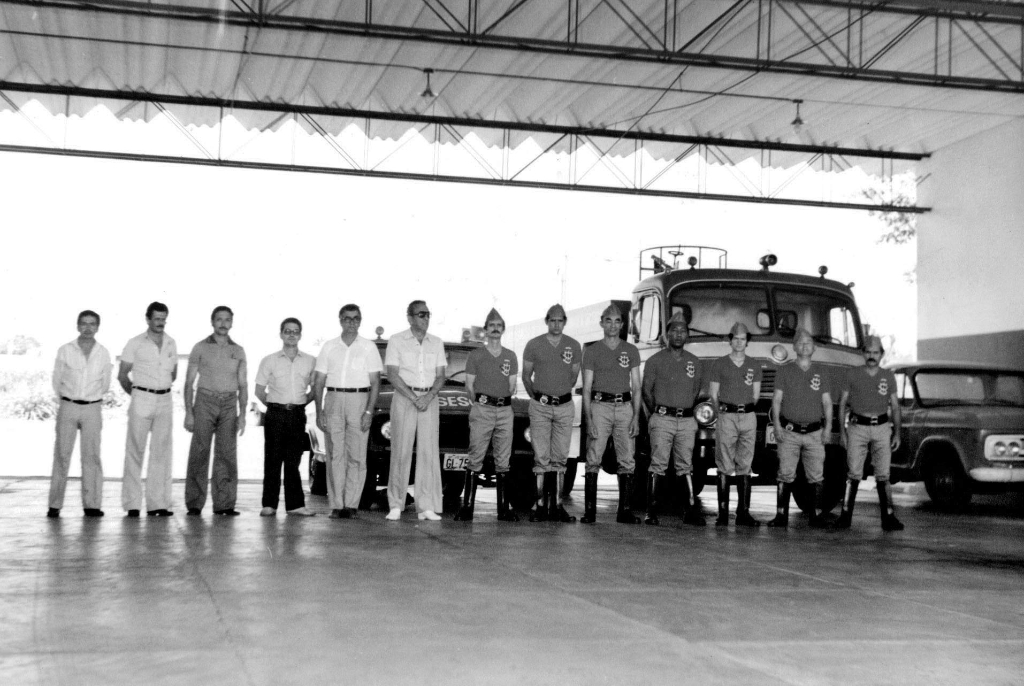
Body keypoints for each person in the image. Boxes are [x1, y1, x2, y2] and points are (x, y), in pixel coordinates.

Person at [313, 304, 382, 519]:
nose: (351, 322)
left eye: (355, 318)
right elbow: (319, 382)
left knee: (357, 456)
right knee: (335, 455)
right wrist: (319, 411)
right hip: (333, 399)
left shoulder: (368, 347)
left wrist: (369, 412)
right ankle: (336, 504)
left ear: (360, 321)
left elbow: (376, 382)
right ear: (340, 320)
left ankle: (351, 505)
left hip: (359, 401)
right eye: (347, 318)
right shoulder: (329, 347)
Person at [383, 300, 446, 521]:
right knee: (400, 450)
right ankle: (396, 504)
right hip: (404, 398)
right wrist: (413, 398)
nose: (426, 318)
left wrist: (427, 397)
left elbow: (441, 375)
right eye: (421, 314)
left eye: (428, 314)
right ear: (409, 318)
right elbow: (392, 374)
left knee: (428, 453)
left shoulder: (436, 343)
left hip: (430, 399)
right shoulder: (397, 340)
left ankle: (426, 505)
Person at [454, 308, 519, 522]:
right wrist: (483, 402)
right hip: (482, 409)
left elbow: (511, 387)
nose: (495, 329)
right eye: (491, 325)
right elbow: (469, 386)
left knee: (503, 458)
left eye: (499, 326)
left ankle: (504, 508)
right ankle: (467, 507)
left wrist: (499, 400)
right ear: (485, 329)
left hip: (504, 410)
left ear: (503, 330)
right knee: (476, 456)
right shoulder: (476, 355)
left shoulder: (510, 356)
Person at [641, 312, 705, 526]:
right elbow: (646, 391)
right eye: (674, 330)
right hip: (662, 418)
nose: (678, 334)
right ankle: (651, 511)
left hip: (686, 421)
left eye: (682, 331)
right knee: (658, 464)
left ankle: (689, 511)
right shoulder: (654, 361)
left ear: (687, 335)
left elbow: (694, 392)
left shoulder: (694, 362)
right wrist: (657, 413)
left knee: (685, 465)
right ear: (667, 334)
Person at [183, 306, 248, 516]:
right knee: (200, 451)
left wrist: (243, 414)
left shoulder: (238, 350)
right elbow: (189, 382)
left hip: (229, 404)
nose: (223, 323)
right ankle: (194, 503)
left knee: (227, 454)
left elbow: (243, 385)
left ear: (232, 322)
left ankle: (224, 504)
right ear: (212, 322)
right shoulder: (200, 347)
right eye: (219, 319)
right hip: (205, 401)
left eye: (227, 319)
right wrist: (189, 412)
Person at [47, 310, 112, 518]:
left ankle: (92, 505)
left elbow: (105, 383)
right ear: (77, 326)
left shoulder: (103, 353)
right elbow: (57, 380)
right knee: (62, 455)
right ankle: (54, 505)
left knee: (91, 456)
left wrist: (91, 398)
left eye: (92, 324)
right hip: (68, 406)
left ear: (97, 327)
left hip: (92, 407)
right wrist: (68, 399)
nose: (88, 328)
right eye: (84, 323)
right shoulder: (65, 350)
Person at [580, 303, 642, 524]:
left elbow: (636, 386)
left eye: (617, 321)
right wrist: (588, 418)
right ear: (601, 323)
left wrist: (635, 416)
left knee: (627, 458)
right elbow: (586, 388)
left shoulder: (631, 350)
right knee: (594, 457)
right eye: (609, 320)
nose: (613, 325)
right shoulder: (592, 351)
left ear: (622, 325)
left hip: (624, 407)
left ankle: (624, 511)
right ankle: (590, 512)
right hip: (600, 406)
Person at [836, 336, 904, 531]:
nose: (872, 356)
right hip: (858, 427)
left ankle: (888, 517)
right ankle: (845, 517)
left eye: (875, 352)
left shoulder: (888, 376)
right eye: (868, 352)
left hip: (882, 427)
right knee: (854, 472)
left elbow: (896, 406)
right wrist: (842, 432)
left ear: (881, 354)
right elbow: (842, 404)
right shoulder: (852, 374)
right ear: (863, 353)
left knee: (883, 473)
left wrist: (897, 433)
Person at [768, 328, 833, 528]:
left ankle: (817, 516)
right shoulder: (785, 370)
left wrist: (828, 428)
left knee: (816, 475)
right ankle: (781, 516)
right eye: (801, 343)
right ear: (794, 347)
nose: (805, 346)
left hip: (814, 433)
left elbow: (827, 402)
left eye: (808, 343)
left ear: (814, 348)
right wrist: (776, 425)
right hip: (789, 432)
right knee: (785, 474)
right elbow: (777, 400)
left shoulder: (821, 371)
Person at [522, 304, 581, 523]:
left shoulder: (573, 345)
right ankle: (539, 506)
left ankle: (556, 505)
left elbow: (573, 377)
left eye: (560, 320)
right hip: (540, 406)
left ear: (565, 322)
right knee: (541, 456)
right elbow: (527, 376)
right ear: (547, 321)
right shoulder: (534, 344)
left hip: (565, 407)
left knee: (560, 456)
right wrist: (538, 398)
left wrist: (558, 393)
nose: (556, 324)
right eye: (552, 320)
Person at [119, 302, 177, 517]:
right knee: (135, 451)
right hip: (141, 397)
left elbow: (174, 374)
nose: (160, 323)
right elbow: (123, 375)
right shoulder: (135, 343)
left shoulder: (171, 343)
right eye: (157, 319)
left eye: (163, 319)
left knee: (162, 453)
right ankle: (132, 504)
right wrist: (137, 394)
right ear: (148, 319)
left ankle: (158, 504)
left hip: (164, 399)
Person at [255, 317, 316, 517]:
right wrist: (275, 405)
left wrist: (298, 404)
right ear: (281, 334)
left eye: (295, 331)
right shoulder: (269, 360)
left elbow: (315, 389)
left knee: (293, 461)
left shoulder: (310, 361)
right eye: (287, 331)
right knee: (272, 460)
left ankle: (295, 505)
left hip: (297, 415)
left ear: (300, 335)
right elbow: (259, 390)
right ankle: (269, 505)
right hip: (275, 414)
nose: (291, 334)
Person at [709, 322, 762, 527]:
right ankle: (723, 513)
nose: (739, 342)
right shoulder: (720, 364)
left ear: (747, 341)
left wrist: (744, 407)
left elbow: (756, 396)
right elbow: (713, 394)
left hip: (748, 416)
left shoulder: (754, 365)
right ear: (730, 340)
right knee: (724, 463)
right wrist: (721, 412)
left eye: (743, 339)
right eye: (736, 338)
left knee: (745, 464)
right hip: (726, 415)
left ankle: (744, 513)